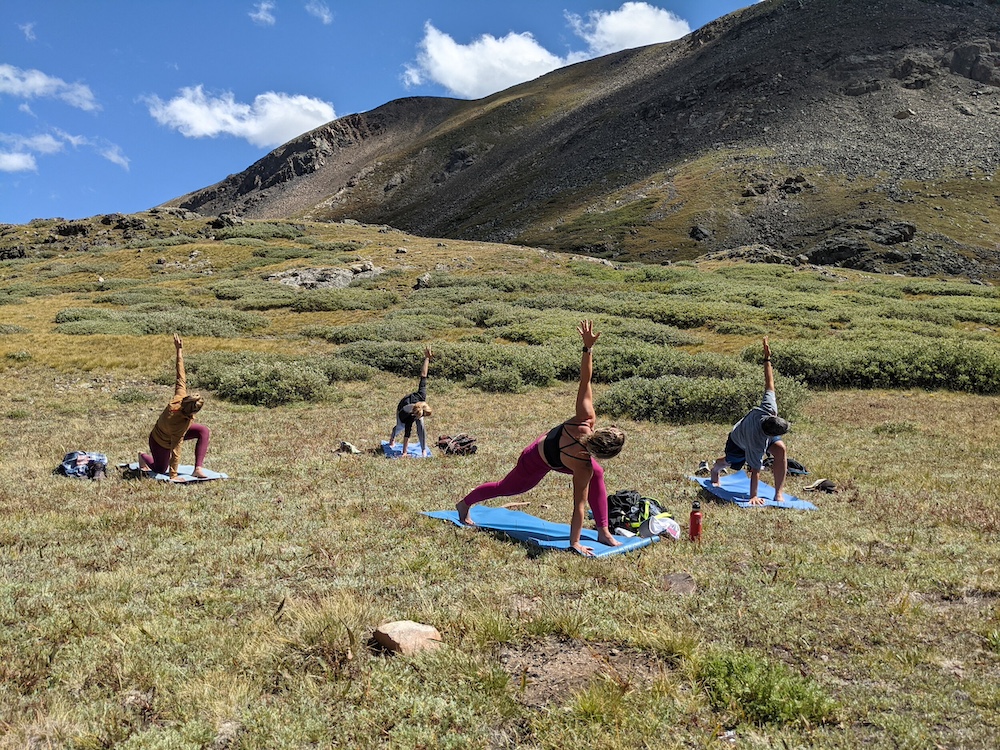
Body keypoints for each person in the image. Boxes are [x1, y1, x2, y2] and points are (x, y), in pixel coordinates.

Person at [457, 321, 625, 556]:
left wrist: (587, 348)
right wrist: (574, 543)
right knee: (507, 488)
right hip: (536, 459)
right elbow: (578, 506)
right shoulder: (582, 465)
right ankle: (464, 503)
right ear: (603, 453)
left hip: (558, 449)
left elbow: (585, 380)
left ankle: (603, 530)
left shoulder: (585, 417)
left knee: (598, 473)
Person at [710, 337, 789, 505]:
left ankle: (778, 492)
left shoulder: (769, 408)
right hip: (739, 440)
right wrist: (753, 496)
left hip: (762, 431)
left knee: (781, 449)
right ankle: (715, 468)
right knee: (730, 462)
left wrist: (767, 359)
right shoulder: (757, 441)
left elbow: (769, 383)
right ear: (768, 435)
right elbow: (755, 470)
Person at [138, 334, 211, 482]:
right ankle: (142, 456)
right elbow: (176, 450)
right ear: (193, 411)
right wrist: (174, 475)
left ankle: (198, 469)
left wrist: (179, 351)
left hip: (170, 434)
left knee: (203, 431)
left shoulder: (179, 397)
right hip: (160, 440)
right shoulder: (179, 424)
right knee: (160, 469)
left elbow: (180, 376)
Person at [389, 346, 434, 457]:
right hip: (403, 409)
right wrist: (404, 452)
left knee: (421, 425)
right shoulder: (407, 413)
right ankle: (392, 437)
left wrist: (427, 358)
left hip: (414, 408)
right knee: (401, 427)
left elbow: (423, 375)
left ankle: (423, 449)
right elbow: (407, 434)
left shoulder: (421, 396)